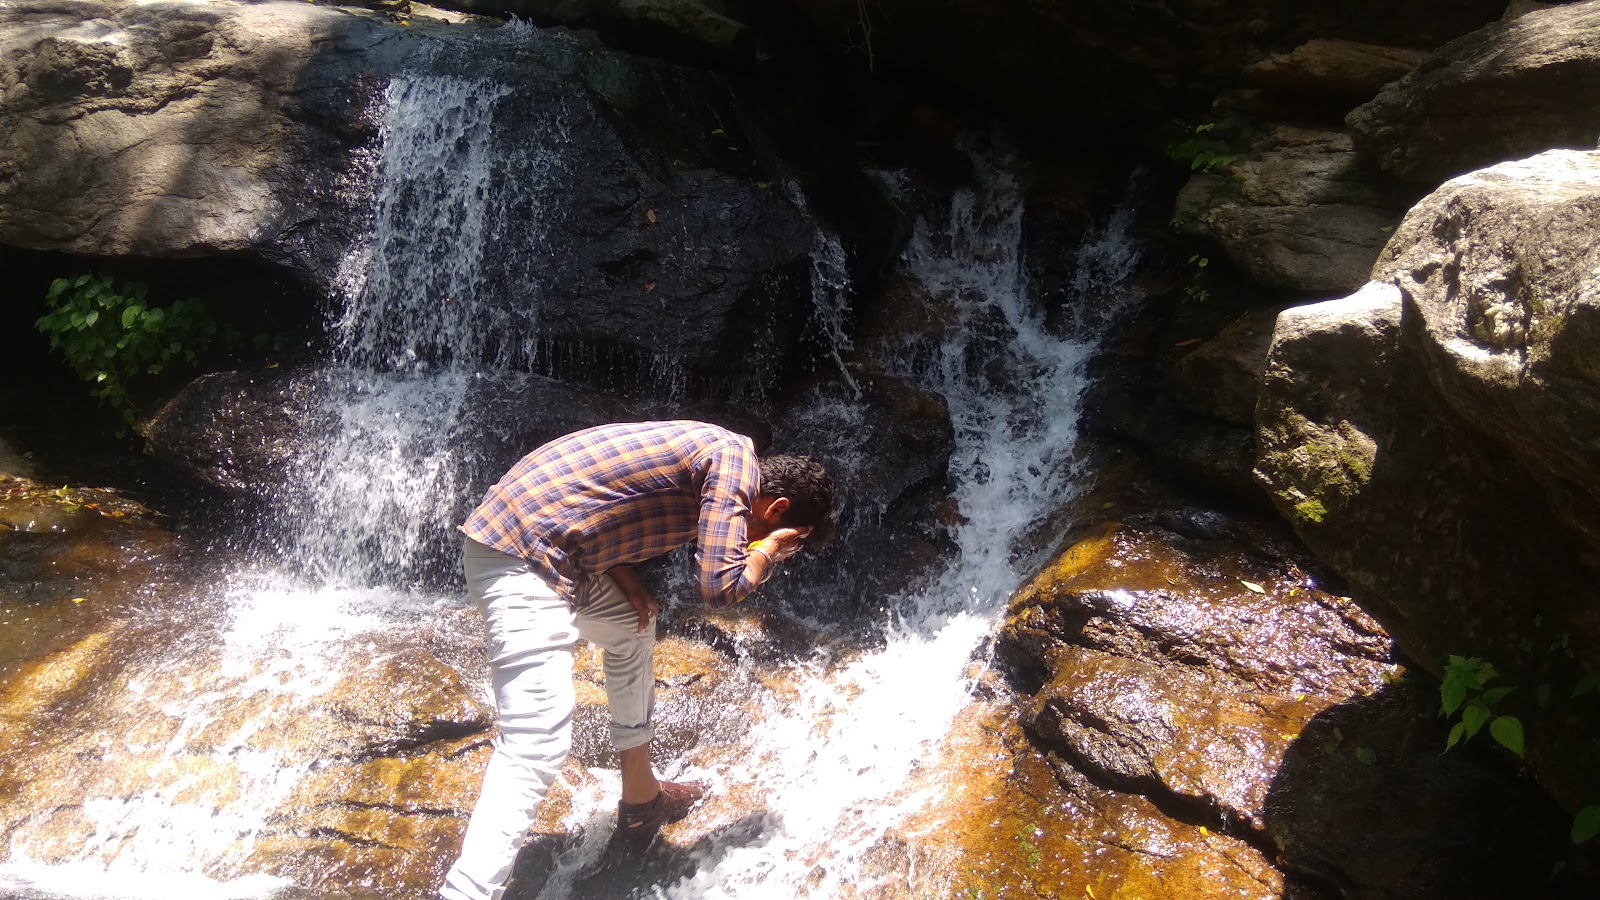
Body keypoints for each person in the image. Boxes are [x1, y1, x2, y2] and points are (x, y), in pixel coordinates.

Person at [439, 419, 836, 900]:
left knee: (633, 627)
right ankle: (466, 891)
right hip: (522, 557)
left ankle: (642, 797)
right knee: (536, 740)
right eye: (786, 537)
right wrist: (768, 551)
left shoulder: (717, 452)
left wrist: (622, 576)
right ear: (777, 509)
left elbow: (597, 497)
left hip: (541, 546)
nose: (759, 541)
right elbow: (720, 585)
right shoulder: (735, 465)